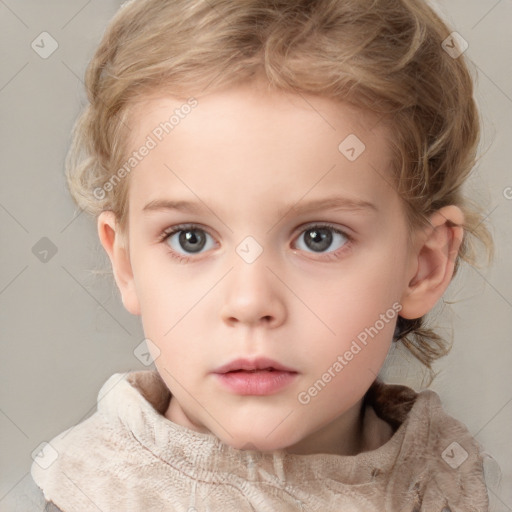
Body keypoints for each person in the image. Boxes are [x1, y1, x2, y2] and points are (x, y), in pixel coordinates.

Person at [30, 0, 502, 510]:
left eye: (319, 238)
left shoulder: (446, 479)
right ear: (127, 264)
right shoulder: (94, 492)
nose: (250, 302)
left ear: (423, 265)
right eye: (191, 238)